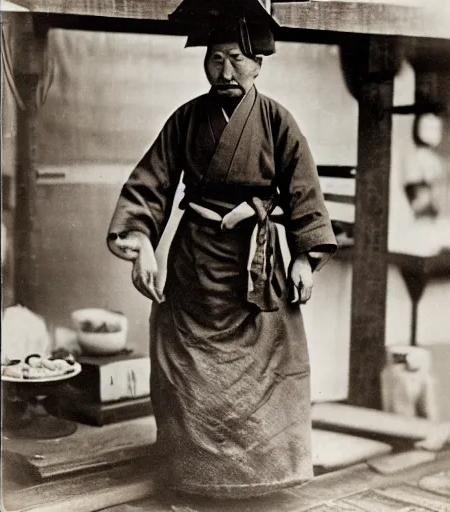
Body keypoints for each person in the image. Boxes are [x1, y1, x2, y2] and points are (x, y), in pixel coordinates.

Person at [107, 2, 337, 500]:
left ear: (258, 63)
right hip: (196, 262)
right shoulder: (188, 119)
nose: (225, 70)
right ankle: (195, 478)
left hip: (256, 264)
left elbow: (303, 191)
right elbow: (152, 184)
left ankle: (261, 479)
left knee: (268, 366)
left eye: (236, 58)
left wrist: (303, 256)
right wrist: (142, 242)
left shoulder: (277, 121)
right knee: (187, 365)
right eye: (215, 58)